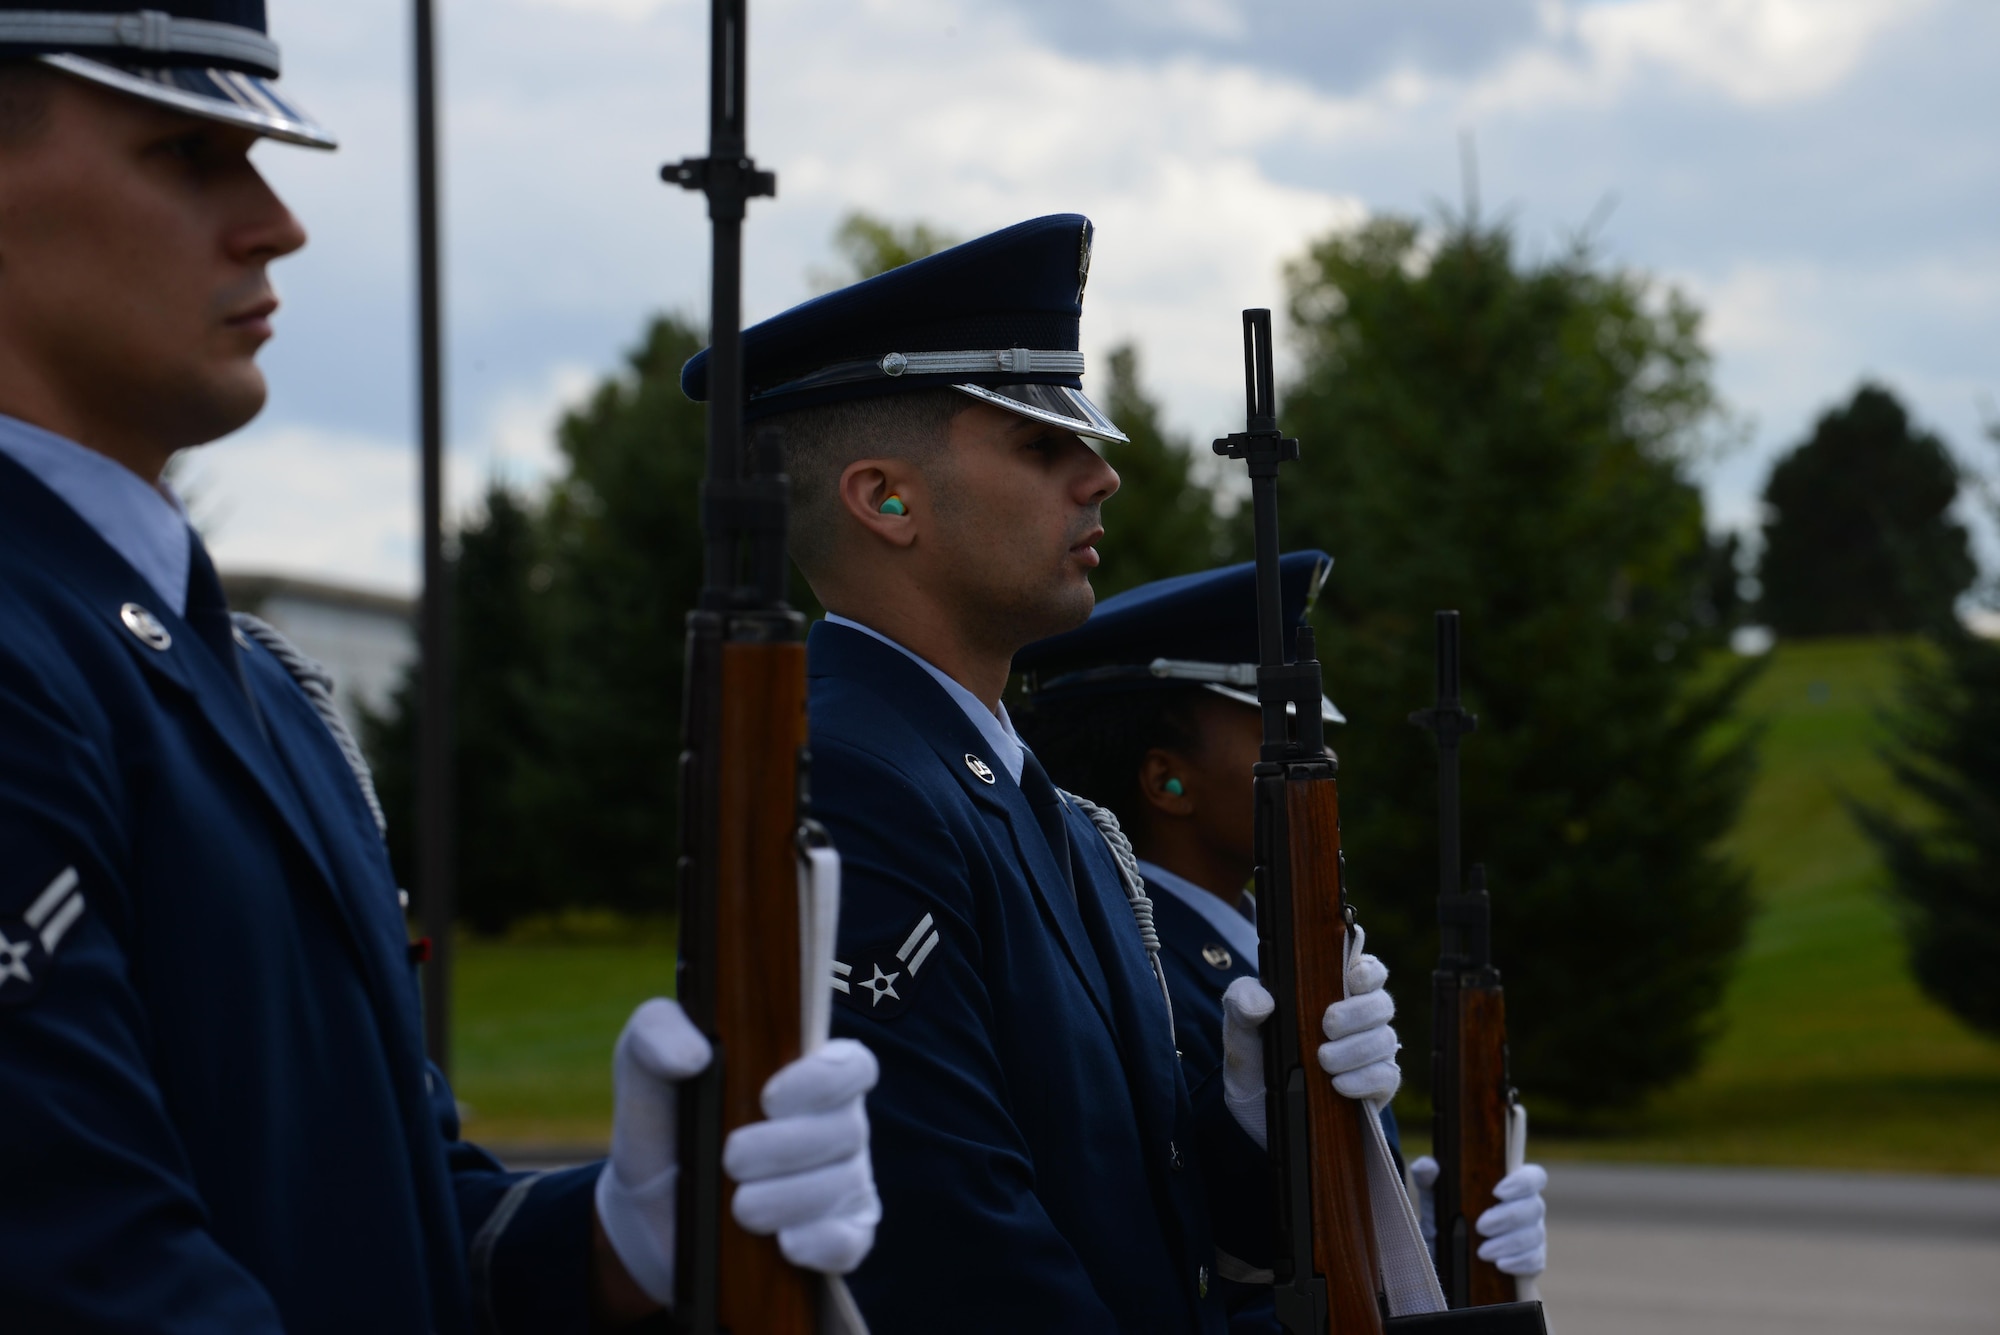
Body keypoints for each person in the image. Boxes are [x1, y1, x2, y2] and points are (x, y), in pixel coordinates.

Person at [0, 6, 875, 1330]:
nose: (275, 220)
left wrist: (618, 1235)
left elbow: (387, 1216)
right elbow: (91, 1272)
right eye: (189, 154)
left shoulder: (251, 684)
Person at [679, 215, 1405, 1333]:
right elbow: (952, 1248)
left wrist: (1260, 1124)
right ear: (884, 500)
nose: (1100, 476)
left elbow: (1150, 1215)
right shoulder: (850, 778)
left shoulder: (1047, 814)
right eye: (1036, 446)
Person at [1015, 553, 1551, 1321]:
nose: (1317, 759)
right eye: (1274, 729)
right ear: (1168, 779)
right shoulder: (1135, 966)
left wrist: (1416, 1247)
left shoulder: (1272, 946)